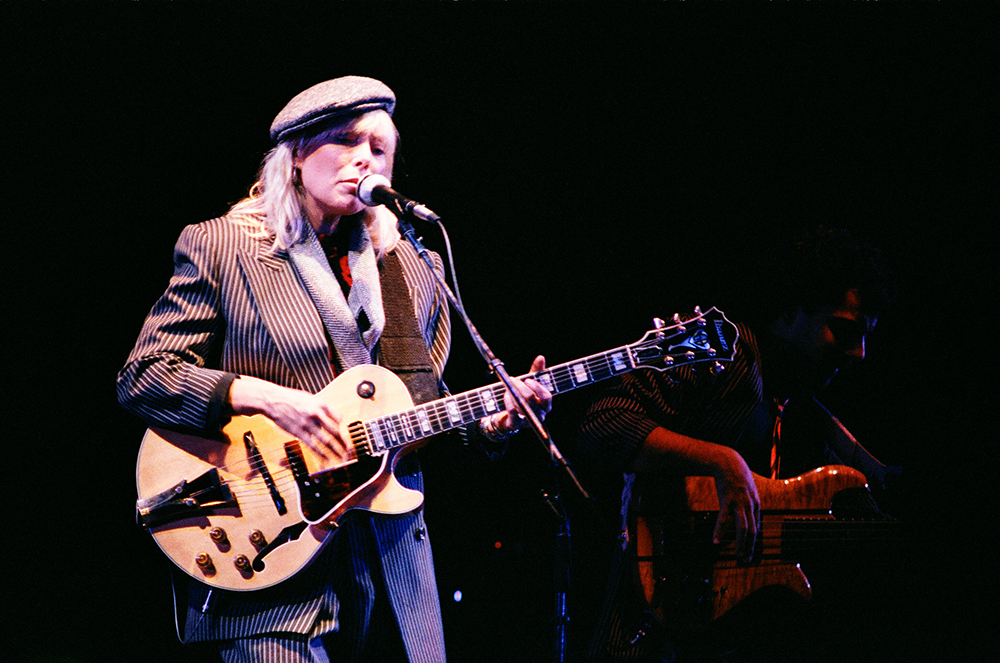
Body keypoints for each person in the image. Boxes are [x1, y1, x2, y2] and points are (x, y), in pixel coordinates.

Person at [117, 76, 551, 663]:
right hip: (268, 556)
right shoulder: (222, 247)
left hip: (390, 563)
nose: (364, 159)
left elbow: (421, 403)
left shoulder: (412, 269)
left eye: (379, 148)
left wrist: (491, 425)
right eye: (346, 141)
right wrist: (268, 399)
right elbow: (144, 376)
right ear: (296, 155)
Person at [577, 226, 900, 662]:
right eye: (842, 331)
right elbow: (602, 421)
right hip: (645, 637)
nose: (859, 353)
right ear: (790, 312)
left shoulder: (804, 410)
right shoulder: (725, 352)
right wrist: (720, 461)